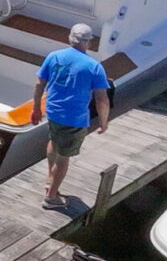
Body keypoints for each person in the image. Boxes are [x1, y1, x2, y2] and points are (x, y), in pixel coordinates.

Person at [30, 23, 110, 209]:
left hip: (53, 111)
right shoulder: (94, 67)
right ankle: (51, 198)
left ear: (70, 37)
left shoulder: (54, 56)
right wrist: (104, 122)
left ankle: (50, 179)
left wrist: (36, 108)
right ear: (88, 42)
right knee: (64, 157)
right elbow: (102, 99)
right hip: (74, 119)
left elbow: (39, 84)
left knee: (54, 140)